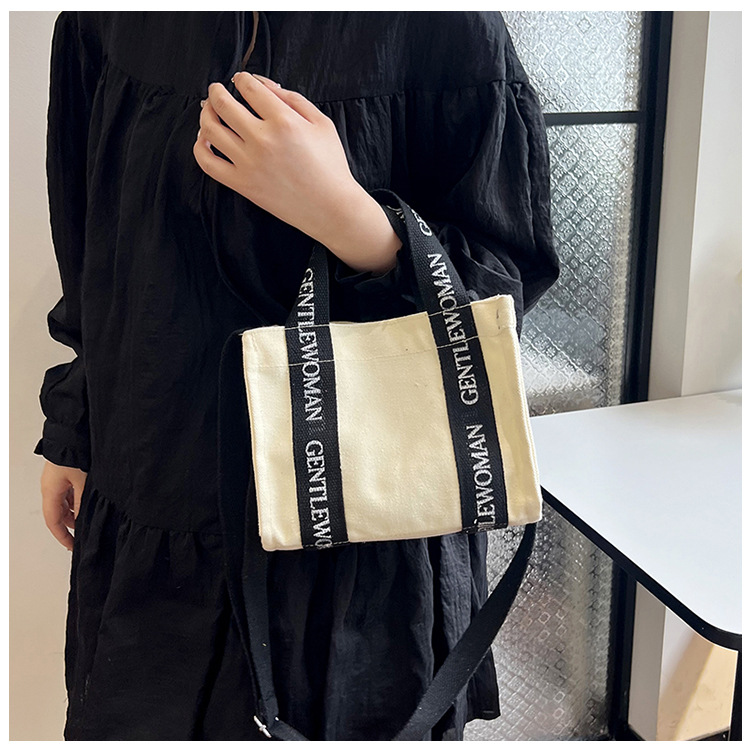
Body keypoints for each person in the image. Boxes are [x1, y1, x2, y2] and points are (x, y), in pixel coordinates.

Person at [35, 11, 560, 741]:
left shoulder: (442, 26)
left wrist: (347, 217)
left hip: (365, 537)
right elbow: (92, 242)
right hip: (151, 487)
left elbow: (497, 289)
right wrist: (76, 421)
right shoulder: (111, 20)